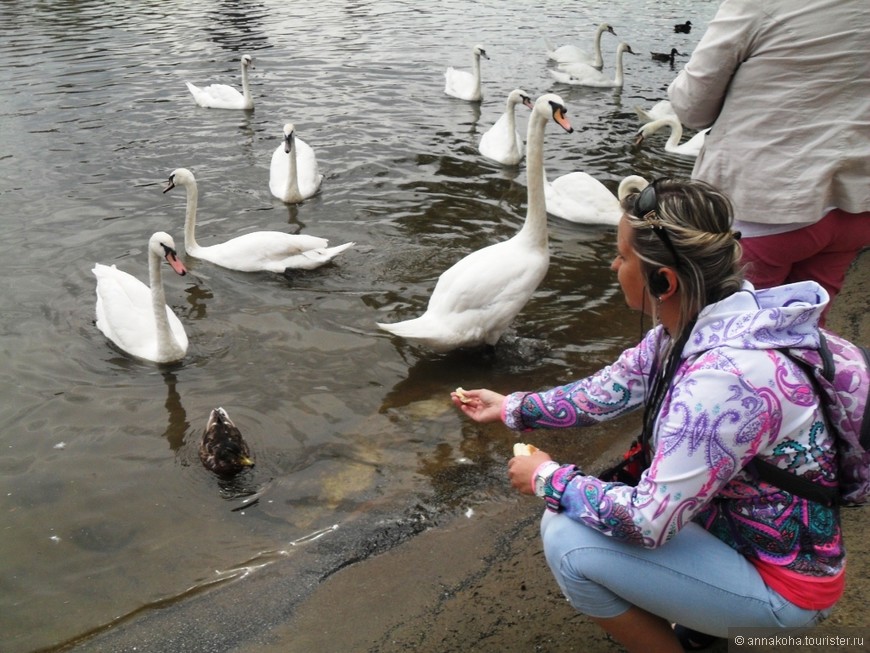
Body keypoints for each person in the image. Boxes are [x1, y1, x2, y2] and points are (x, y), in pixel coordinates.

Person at [451, 178, 844, 653]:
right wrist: (512, 407)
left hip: (786, 592)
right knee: (623, 492)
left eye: (622, 256)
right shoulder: (715, 321)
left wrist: (547, 478)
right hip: (756, 540)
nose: (613, 265)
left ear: (664, 280)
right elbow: (608, 390)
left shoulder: (721, 380)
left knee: (566, 536)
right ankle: (708, 628)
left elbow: (649, 522)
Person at [667, 0, 870, 326]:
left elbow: (692, 108)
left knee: (727, 340)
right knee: (803, 336)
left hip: (766, 208)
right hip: (855, 206)